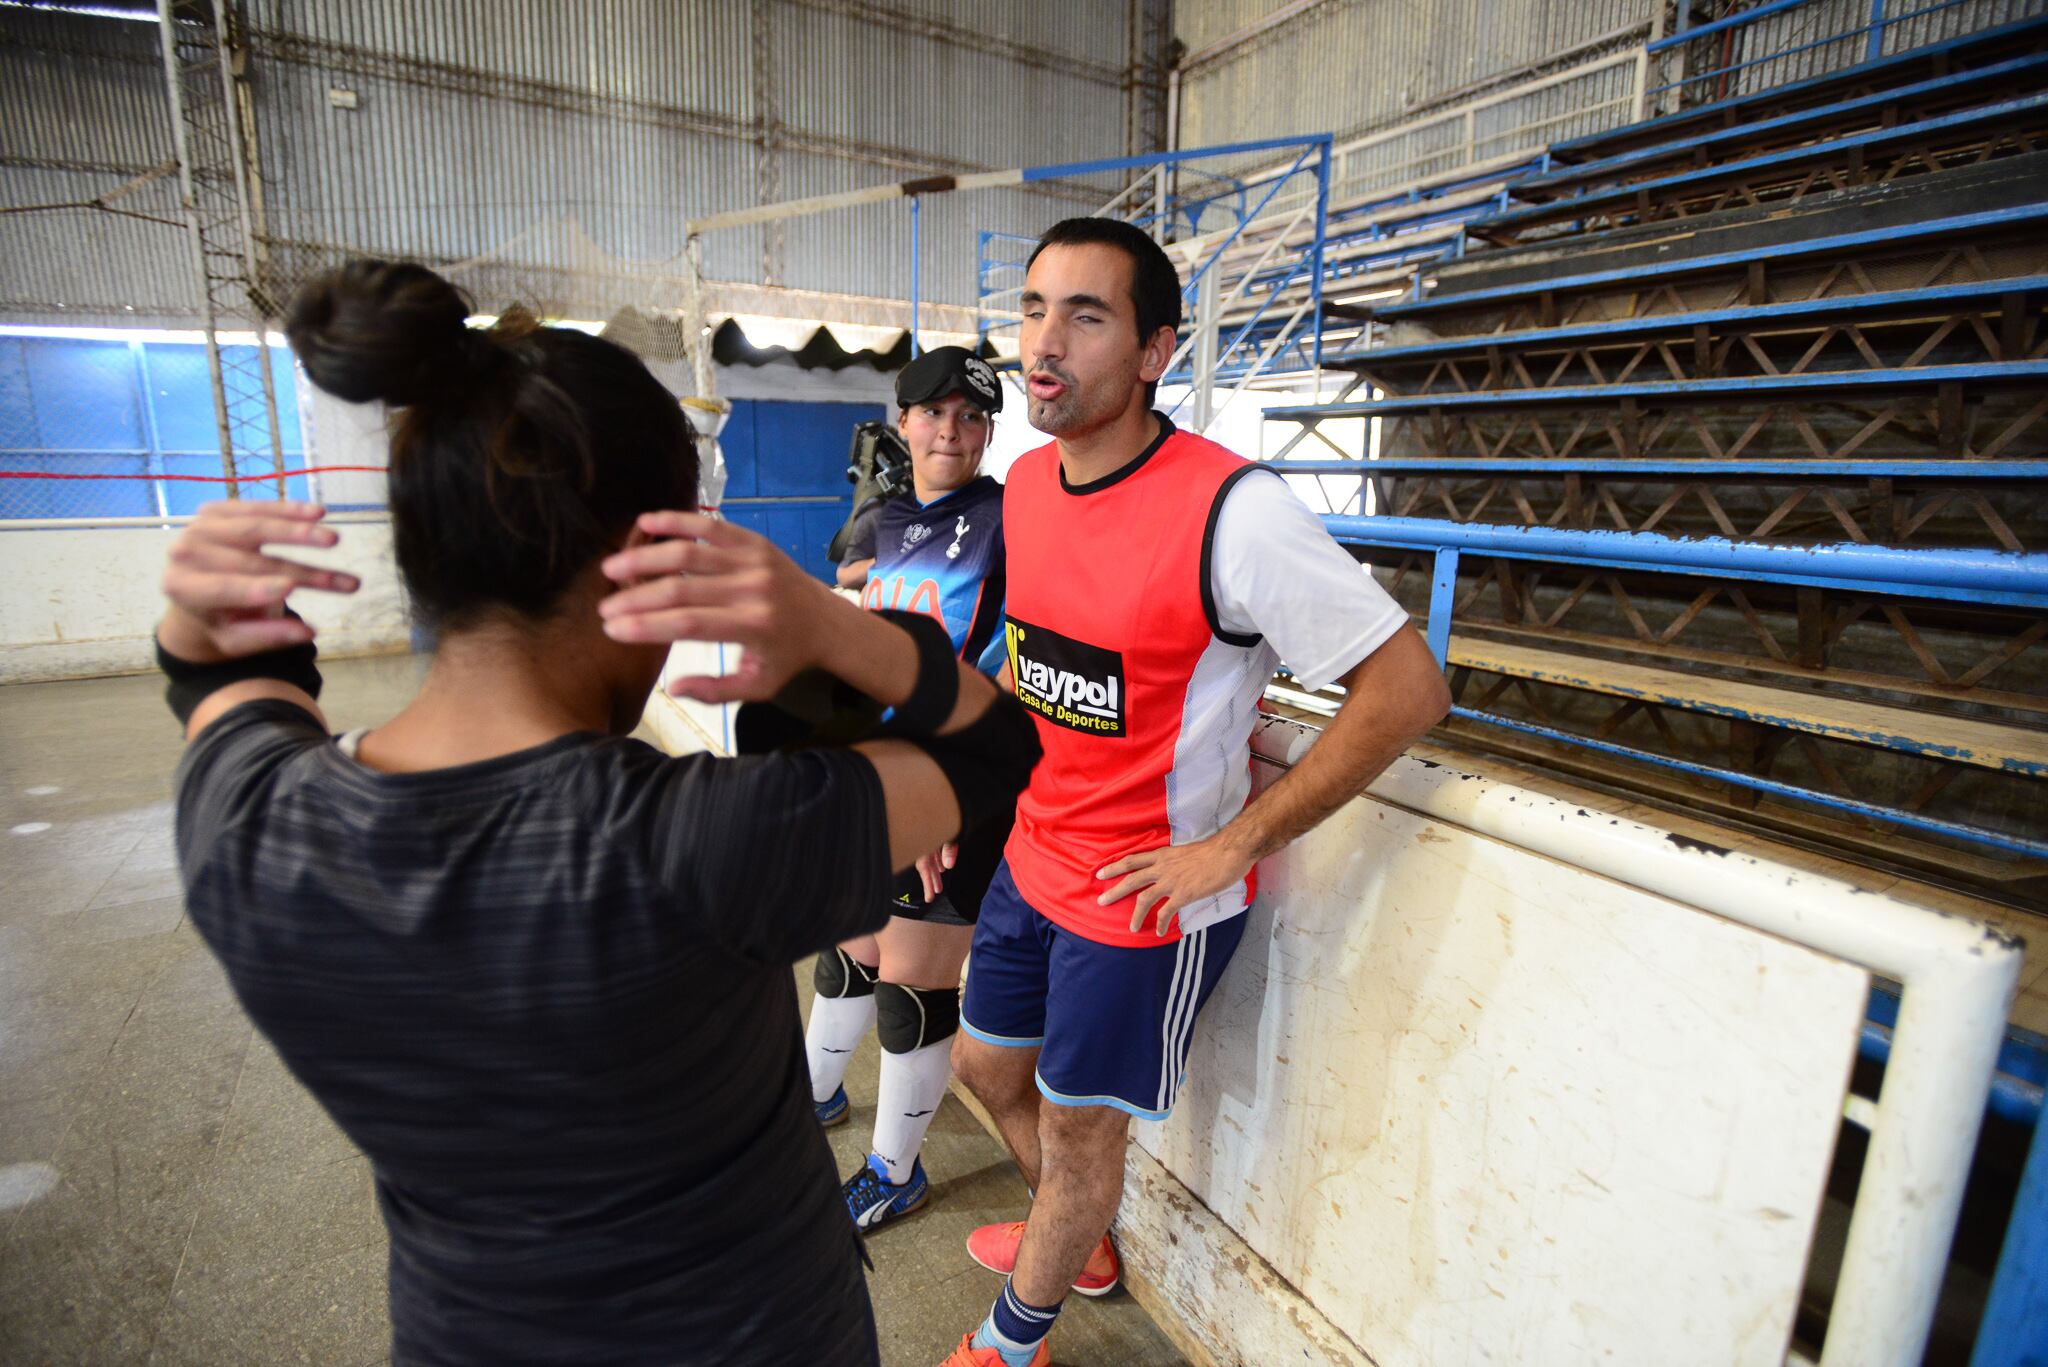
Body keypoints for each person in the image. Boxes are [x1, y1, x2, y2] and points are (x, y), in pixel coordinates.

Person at [153, 259, 1038, 1367]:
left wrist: (193, 623)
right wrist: (832, 627)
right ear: (646, 559)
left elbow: (223, 687)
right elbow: (996, 744)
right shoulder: (716, 839)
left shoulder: (246, 826)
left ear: (421, 548)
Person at [938, 218, 1452, 1367]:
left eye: (1085, 314)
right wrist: (956, 800)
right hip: (1032, 853)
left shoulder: (1235, 510)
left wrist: (1234, 843)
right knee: (979, 1065)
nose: (1043, 341)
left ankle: (1010, 1339)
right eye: (1031, 308)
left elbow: (1407, 686)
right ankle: (1081, 1241)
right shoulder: (1023, 483)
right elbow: (1035, 667)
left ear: (1156, 349)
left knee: (1078, 1131)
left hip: (1141, 895)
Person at [802, 345, 1012, 1232]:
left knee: (915, 976)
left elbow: (1010, 659)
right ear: (903, 423)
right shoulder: (887, 518)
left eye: (970, 416)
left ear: (988, 429)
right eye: (933, 413)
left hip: (962, 777)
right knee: (851, 939)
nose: (951, 431)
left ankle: (895, 1170)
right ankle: (807, 1100)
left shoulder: (1013, 517)